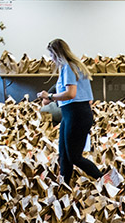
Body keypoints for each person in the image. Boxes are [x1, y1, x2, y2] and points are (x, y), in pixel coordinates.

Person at [37, 38, 102, 184]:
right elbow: (88, 98)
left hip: (76, 114)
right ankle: (64, 185)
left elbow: (71, 93)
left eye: (52, 56)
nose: (51, 59)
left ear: (56, 53)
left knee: (74, 156)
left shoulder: (68, 67)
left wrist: (50, 96)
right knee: (64, 154)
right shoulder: (75, 66)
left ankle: (104, 179)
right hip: (73, 114)